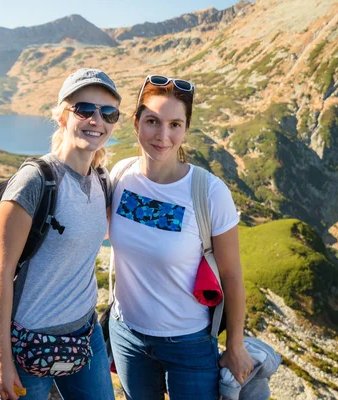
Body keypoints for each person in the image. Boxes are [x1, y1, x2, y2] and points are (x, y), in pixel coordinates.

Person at [108, 74, 254, 399]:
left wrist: (235, 345)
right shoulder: (120, 176)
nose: (163, 135)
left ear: (186, 129)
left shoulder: (209, 192)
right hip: (127, 335)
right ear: (136, 123)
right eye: (152, 121)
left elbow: (231, 275)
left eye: (175, 124)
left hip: (189, 343)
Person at [0, 68, 120, 400]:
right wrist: (1, 359)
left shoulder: (102, 181)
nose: (96, 120)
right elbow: (0, 273)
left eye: (108, 113)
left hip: (85, 337)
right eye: (84, 109)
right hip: (24, 346)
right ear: (62, 116)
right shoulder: (34, 182)